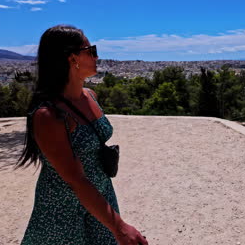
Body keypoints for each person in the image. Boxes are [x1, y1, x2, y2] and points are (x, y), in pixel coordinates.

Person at [17, 25, 148, 245]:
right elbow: (76, 179)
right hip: (63, 212)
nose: (97, 56)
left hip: (101, 196)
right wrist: (119, 227)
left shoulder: (91, 95)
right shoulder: (48, 116)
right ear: (72, 58)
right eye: (91, 50)